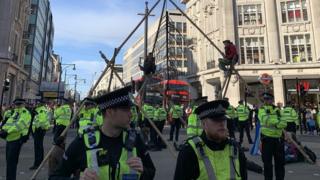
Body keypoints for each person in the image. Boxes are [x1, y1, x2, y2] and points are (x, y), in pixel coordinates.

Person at [49, 86, 156, 180]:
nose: (131, 114)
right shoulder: (83, 142)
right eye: (126, 109)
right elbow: (54, 177)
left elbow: (151, 172)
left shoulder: (134, 139)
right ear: (110, 112)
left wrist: (143, 172)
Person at [174, 100, 247, 180]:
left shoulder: (236, 148)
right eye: (216, 119)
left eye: (223, 119)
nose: (222, 123)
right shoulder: (189, 151)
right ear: (203, 124)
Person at [0, 98, 31, 180]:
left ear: (23, 104)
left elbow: (19, 125)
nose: (17, 106)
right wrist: (3, 130)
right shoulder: (16, 112)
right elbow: (9, 122)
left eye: (19, 104)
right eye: (16, 104)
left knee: (12, 163)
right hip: (10, 139)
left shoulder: (25, 113)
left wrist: (7, 131)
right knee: (9, 162)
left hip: (16, 140)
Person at [258, 93, 287, 180]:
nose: (266, 101)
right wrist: (278, 123)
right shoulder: (262, 109)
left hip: (278, 140)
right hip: (267, 139)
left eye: (268, 99)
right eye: (265, 99)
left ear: (272, 100)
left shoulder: (278, 110)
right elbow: (265, 120)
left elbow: (284, 122)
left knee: (280, 163)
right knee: (267, 164)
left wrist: (276, 123)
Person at [30, 100, 51, 170]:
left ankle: (37, 164)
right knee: (39, 146)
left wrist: (38, 127)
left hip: (38, 130)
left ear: (40, 103)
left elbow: (42, 121)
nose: (36, 104)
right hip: (40, 130)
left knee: (37, 147)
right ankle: (40, 162)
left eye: (37, 103)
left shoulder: (41, 110)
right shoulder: (42, 110)